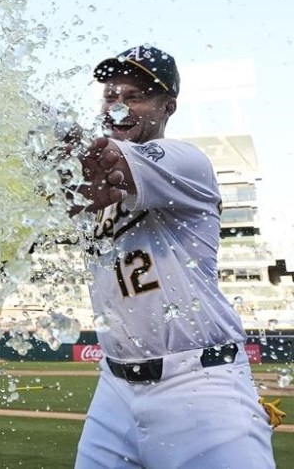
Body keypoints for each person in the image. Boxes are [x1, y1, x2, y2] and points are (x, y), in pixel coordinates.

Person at [70, 45, 276, 468]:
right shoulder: (88, 184)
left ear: (168, 106)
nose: (120, 106)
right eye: (111, 96)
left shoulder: (184, 161)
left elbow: (106, 166)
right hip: (114, 387)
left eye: (135, 96)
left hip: (199, 386)